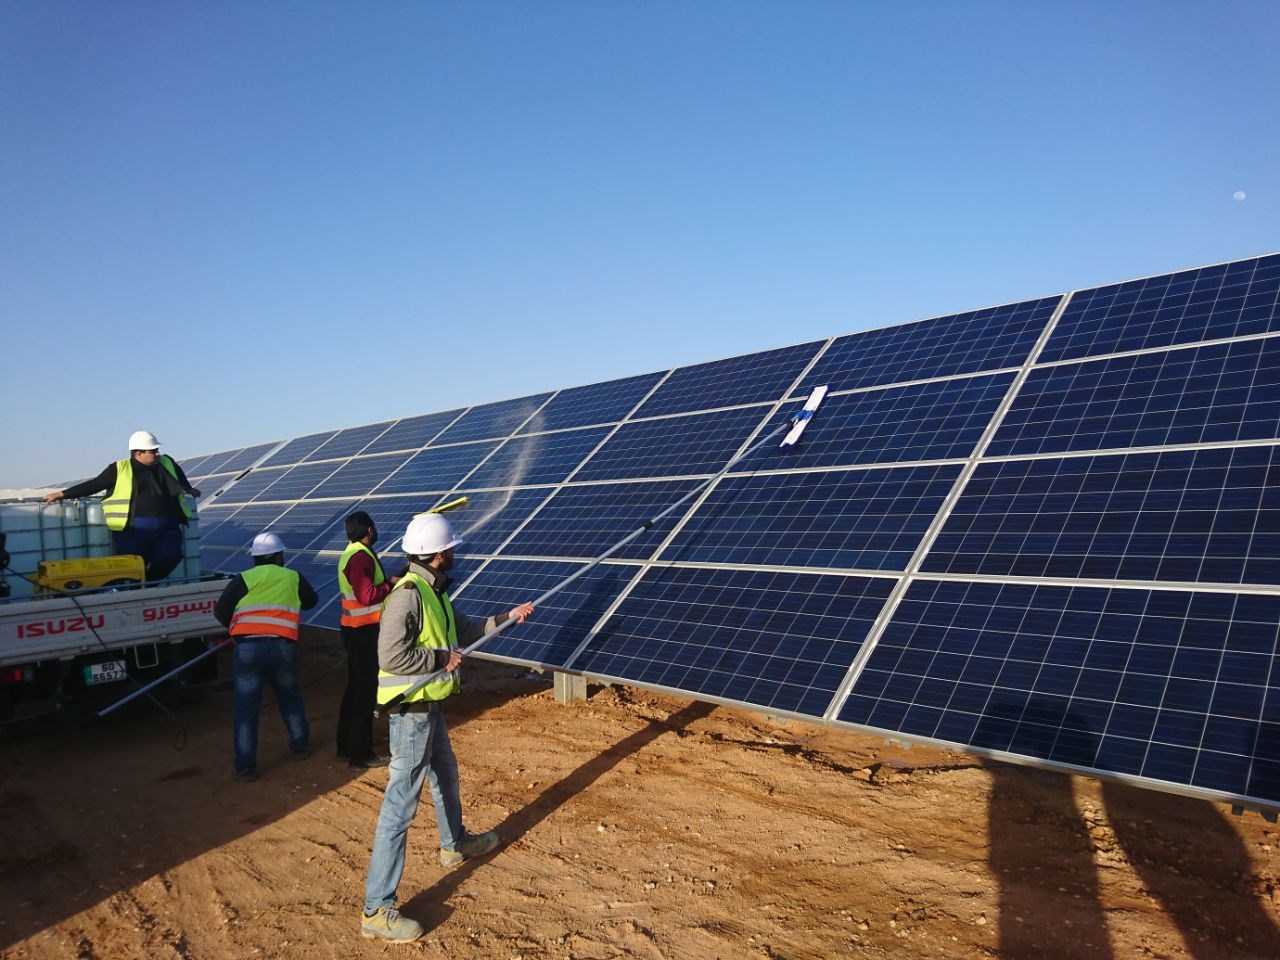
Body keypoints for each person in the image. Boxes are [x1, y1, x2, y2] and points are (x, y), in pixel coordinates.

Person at [360, 513, 535, 943]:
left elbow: (467, 629)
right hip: (410, 713)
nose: (455, 551)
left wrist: (508, 616)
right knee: (400, 806)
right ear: (439, 553)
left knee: (446, 775)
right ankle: (376, 910)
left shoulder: (434, 592)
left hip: (429, 708)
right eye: (451, 547)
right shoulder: (407, 595)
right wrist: (440, 659)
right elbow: (390, 656)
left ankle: (454, 844)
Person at [212, 531, 318, 783]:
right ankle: (300, 746)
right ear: (278, 556)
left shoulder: (243, 578)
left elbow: (221, 611)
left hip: (248, 650)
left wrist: (238, 628)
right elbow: (311, 602)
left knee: (246, 710)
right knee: (289, 698)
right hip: (282, 648)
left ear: (255, 558)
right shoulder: (292, 576)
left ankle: (245, 767)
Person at [43, 430, 201, 581]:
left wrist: (189, 489)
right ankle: (135, 590)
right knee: (132, 566)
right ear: (138, 453)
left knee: (171, 557)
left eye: (157, 450)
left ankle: (149, 581)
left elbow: (179, 478)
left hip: (168, 527)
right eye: (152, 451)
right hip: (134, 530)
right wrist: (63, 494)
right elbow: (94, 485)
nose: (157, 453)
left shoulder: (167, 462)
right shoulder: (119, 468)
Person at [336, 510, 399, 769]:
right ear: (370, 530)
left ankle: (345, 746)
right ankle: (360, 754)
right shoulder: (360, 556)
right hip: (363, 633)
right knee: (364, 692)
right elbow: (367, 595)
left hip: (355, 630)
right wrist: (391, 584)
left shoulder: (352, 553)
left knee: (354, 690)